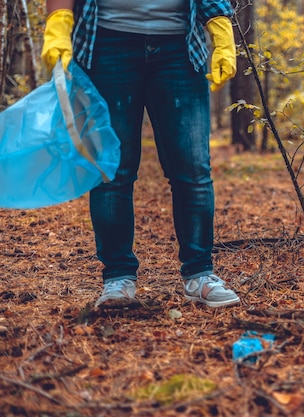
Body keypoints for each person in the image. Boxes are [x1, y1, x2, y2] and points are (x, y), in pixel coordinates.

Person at [41, 0, 241, 308]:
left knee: (193, 169)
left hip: (180, 44)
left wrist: (220, 25)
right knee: (113, 171)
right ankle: (118, 278)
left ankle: (200, 274)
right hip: (106, 42)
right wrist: (59, 23)